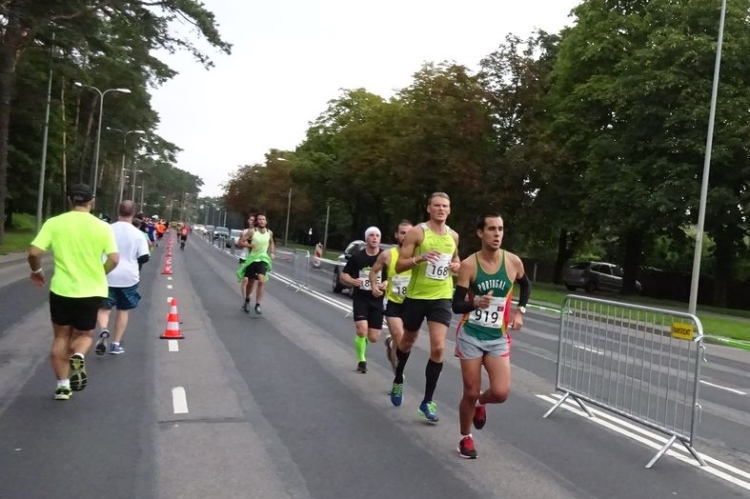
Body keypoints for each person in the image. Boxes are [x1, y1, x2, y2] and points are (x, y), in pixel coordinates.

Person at [27, 183, 119, 400]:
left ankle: (62, 386)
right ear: (91, 201)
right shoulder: (103, 227)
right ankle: (78, 355)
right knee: (84, 335)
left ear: (69, 200)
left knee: (61, 336)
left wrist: (37, 271)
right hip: (90, 291)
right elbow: (114, 259)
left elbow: (33, 253)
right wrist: (100, 273)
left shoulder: (54, 223)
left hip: (61, 290)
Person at [452, 213, 529, 459]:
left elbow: (526, 285)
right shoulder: (469, 265)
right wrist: (474, 303)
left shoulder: (513, 262)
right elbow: (456, 305)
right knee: (470, 391)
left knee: (501, 392)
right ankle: (465, 438)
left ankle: (481, 404)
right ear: (480, 233)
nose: (497, 234)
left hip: (497, 336)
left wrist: (520, 312)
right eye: (492, 229)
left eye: (500, 229)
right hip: (471, 334)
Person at [392, 192, 460, 421]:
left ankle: (427, 401)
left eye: (445, 206)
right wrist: (420, 258)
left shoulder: (453, 236)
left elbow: (456, 259)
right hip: (417, 296)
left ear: (449, 210)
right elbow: (399, 265)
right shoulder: (417, 232)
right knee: (407, 342)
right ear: (429, 208)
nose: (441, 209)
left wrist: (456, 265)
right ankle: (398, 377)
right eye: (437, 205)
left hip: (441, 297)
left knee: (439, 348)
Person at [95, 201, 151, 356]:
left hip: (107, 274)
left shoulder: (107, 229)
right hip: (128, 277)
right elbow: (144, 257)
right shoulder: (138, 234)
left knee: (104, 308)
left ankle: (103, 329)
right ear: (133, 214)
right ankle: (115, 344)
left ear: (117, 212)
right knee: (123, 310)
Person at [369, 220, 413, 378]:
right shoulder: (388, 255)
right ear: (396, 235)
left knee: (403, 344)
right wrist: (374, 286)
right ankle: (398, 377)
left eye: (409, 233)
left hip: (412, 305)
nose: (405, 236)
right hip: (393, 303)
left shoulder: (419, 255)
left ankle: (391, 344)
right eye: (402, 233)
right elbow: (373, 271)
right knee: (400, 338)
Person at [341, 227, 387, 373]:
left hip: (377, 300)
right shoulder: (358, 257)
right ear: (366, 238)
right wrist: (352, 281)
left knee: (374, 337)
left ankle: (364, 340)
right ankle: (362, 360)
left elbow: (393, 277)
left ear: (380, 239)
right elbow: (344, 274)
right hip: (361, 298)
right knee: (361, 330)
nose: (374, 238)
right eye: (371, 235)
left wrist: (386, 283)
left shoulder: (385, 257)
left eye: (377, 235)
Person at [236, 214, 274, 314]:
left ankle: (258, 304)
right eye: (260, 219)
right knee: (251, 282)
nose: (262, 221)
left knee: (261, 280)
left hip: (263, 259)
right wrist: (250, 245)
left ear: (266, 221)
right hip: (252, 259)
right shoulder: (252, 231)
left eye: (263, 219)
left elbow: (271, 242)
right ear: (257, 222)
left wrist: (272, 252)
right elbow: (240, 243)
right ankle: (247, 300)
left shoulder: (269, 232)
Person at [236, 214, 255, 306]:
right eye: (250, 220)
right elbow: (239, 244)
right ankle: (245, 299)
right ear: (248, 221)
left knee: (251, 281)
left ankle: (248, 296)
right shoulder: (244, 232)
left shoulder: (258, 233)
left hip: (254, 258)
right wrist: (247, 245)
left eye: (254, 220)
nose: (252, 222)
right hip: (244, 257)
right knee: (245, 280)